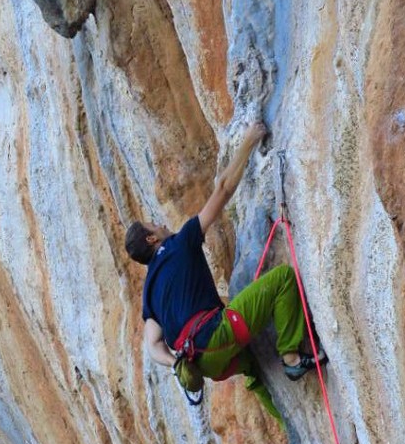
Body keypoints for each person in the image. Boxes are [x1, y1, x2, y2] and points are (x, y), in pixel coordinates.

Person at [125, 122, 325, 421]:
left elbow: (152, 343)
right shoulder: (181, 243)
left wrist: (175, 360)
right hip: (217, 334)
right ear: (152, 239)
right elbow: (223, 189)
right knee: (283, 278)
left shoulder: (150, 291)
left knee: (253, 365)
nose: (160, 223)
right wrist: (249, 140)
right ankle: (292, 357)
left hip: (208, 365)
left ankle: (286, 423)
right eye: (154, 225)